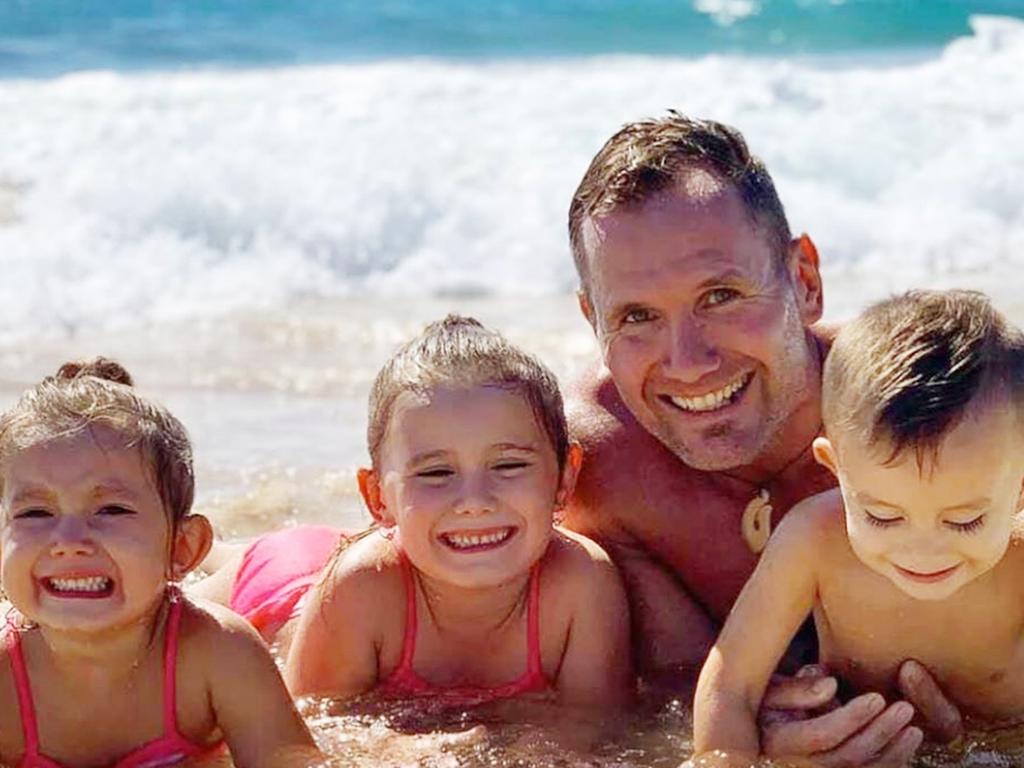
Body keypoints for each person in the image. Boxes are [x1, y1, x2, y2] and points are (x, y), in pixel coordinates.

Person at [563, 113, 960, 764]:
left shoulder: (936, 414)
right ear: (593, 318)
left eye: (720, 295)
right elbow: (664, 701)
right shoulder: (599, 466)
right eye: (636, 317)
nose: (687, 361)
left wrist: (978, 725)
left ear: (804, 280)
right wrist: (754, 741)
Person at [201, 315, 632, 709]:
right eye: (437, 472)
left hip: (403, 540)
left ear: (564, 480)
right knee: (199, 567)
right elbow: (316, 732)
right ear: (378, 497)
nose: (474, 500)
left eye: (508, 465)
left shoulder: (583, 582)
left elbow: (591, 729)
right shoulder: (360, 588)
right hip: (289, 576)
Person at [694, 290, 1024, 763]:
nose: (922, 550)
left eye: (965, 521)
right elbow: (732, 683)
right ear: (835, 466)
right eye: (883, 516)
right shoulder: (812, 539)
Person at [0, 359, 321, 768]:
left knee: (245, 571)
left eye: (111, 510)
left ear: (181, 549)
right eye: (35, 514)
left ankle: (225, 554)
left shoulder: (220, 653)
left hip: (211, 588)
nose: (67, 542)